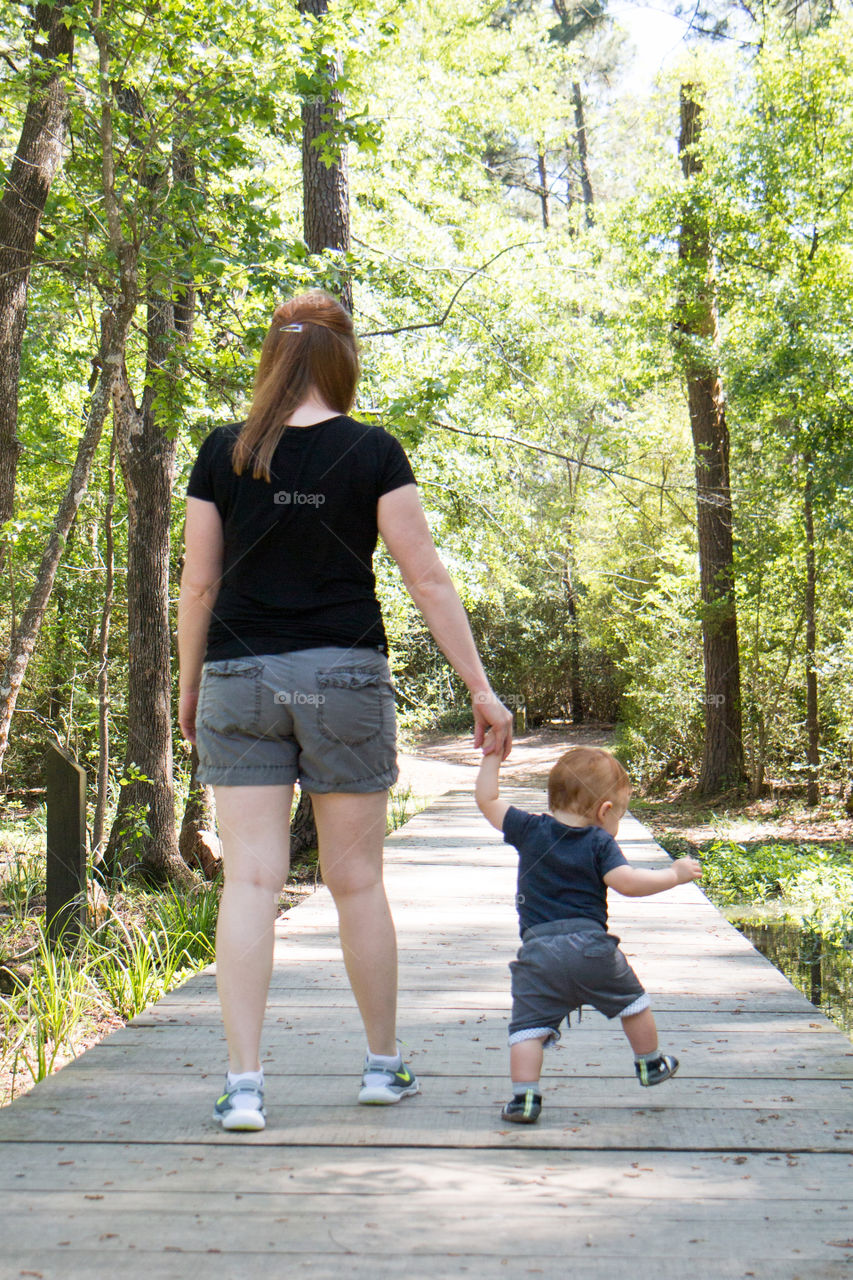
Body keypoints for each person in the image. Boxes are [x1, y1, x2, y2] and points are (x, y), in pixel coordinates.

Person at [178, 290, 513, 1131]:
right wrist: (478, 686)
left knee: (250, 880)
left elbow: (198, 583)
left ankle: (245, 1087)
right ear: (342, 357)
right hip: (344, 683)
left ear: (272, 355)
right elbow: (425, 576)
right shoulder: (371, 452)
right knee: (356, 881)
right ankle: (379, 1068)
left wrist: (187, 686)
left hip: (239, 678)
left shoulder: (223, 453)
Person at [475, 739, 702, 1124]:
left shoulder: (529, 829)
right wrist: (675, 875)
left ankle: (524, 1098)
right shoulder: (599, 842)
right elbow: (628, 883)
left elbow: (486, 800)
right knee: (634, 1004)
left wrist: (492, 756)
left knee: (528, 1029)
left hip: (538, 956)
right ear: (605, 810)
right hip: (593, 950)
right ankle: (650, 1064)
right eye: (621, 816)